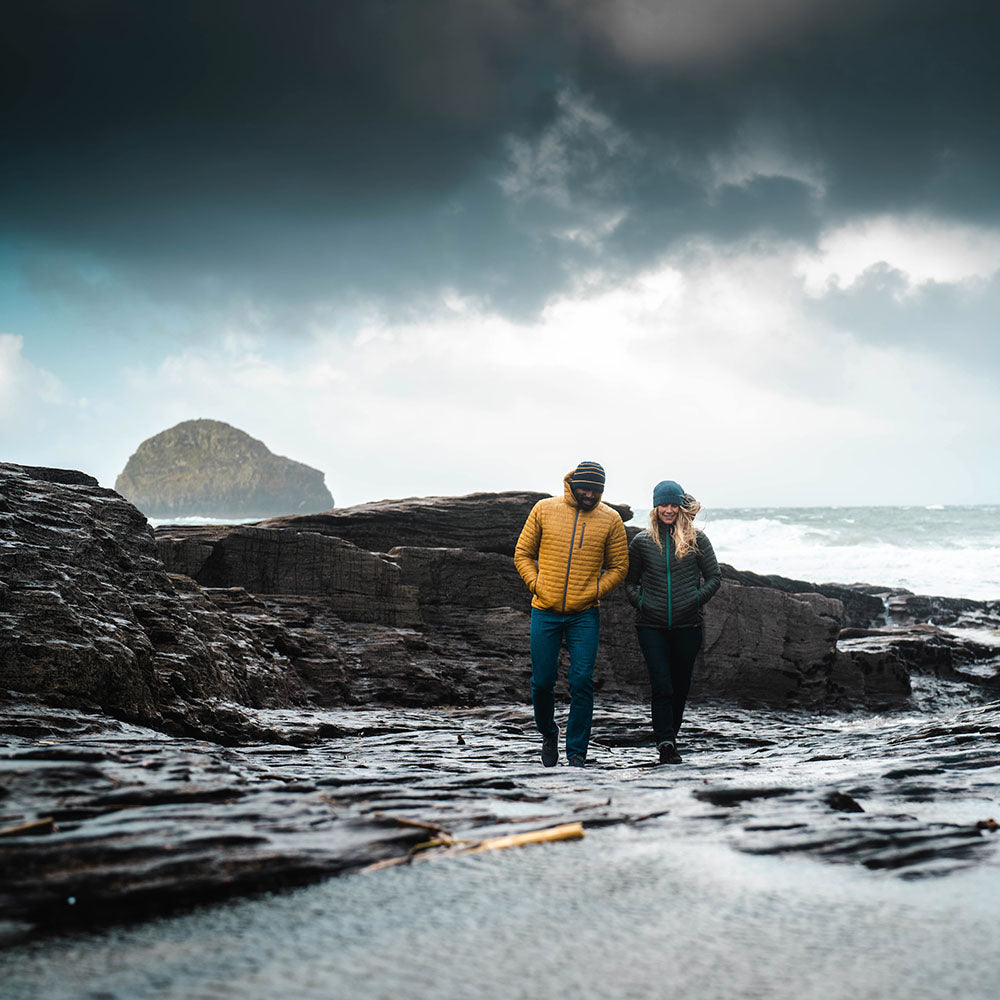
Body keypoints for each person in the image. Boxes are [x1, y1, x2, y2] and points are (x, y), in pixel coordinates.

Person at [514, 461, 629, 768]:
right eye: (585, 488)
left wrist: (592, 592)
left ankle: (577, 751)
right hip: (544, 611)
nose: (590, 495)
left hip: (585, 614)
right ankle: (548, 734)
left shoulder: (611, 519)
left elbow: (619, 567)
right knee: (541, 682)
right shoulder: (544, 509)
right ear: (573, 485)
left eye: (596, 490)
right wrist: (536, 584)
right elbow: (523, 553)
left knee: (581, 681)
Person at [624, 480, 721, 764]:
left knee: (680, 687)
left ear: (680, 507)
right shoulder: (642, 542)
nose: (668, 509)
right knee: (662, 685)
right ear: (655, 508)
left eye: (673, 505)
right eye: (663, 505)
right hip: (650, 626)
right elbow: (630, 583)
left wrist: (694, 599)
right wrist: (642, 603)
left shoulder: (696, 540)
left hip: (688, 625)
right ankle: (665, 742)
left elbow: (714, 577)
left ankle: (671, 737)